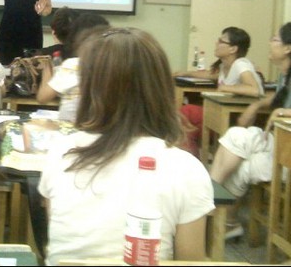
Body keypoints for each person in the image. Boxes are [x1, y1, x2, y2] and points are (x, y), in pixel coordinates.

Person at [39, 27, 214, 264]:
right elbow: (190, 261)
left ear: (90, 88)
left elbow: (62, 242)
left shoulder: (61, 152)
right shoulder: (187, 169)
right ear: (161, 88)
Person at [210, 22, 291, 239]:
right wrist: (256, 106)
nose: (270, 42)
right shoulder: (285, 75)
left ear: (287, 48)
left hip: (286, 153)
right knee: (236, 137)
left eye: (275, 39)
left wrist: (283, 112)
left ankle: (212, 208)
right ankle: (216, 207)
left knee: (243, 163)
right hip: (279, 143)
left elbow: (279, 106)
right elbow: (275, 98)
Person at [174, 27, 264, 156]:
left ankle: (190, 157)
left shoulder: (241, 64)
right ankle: (191, 158)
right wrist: (185, 73)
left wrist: (225, 88)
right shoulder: (224, 65)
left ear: (233, 49)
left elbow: (254, 89)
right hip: (223, 113)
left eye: (221, 41)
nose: (216, 43)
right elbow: (209, 74)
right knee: (187, 126)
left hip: (238, 117)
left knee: (186, 112)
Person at [36, 12, 109, 122]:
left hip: (71, 126)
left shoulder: (72, 65)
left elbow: (42, 98)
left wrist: (47, 67)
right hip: (102, 125)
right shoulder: (112, 66)